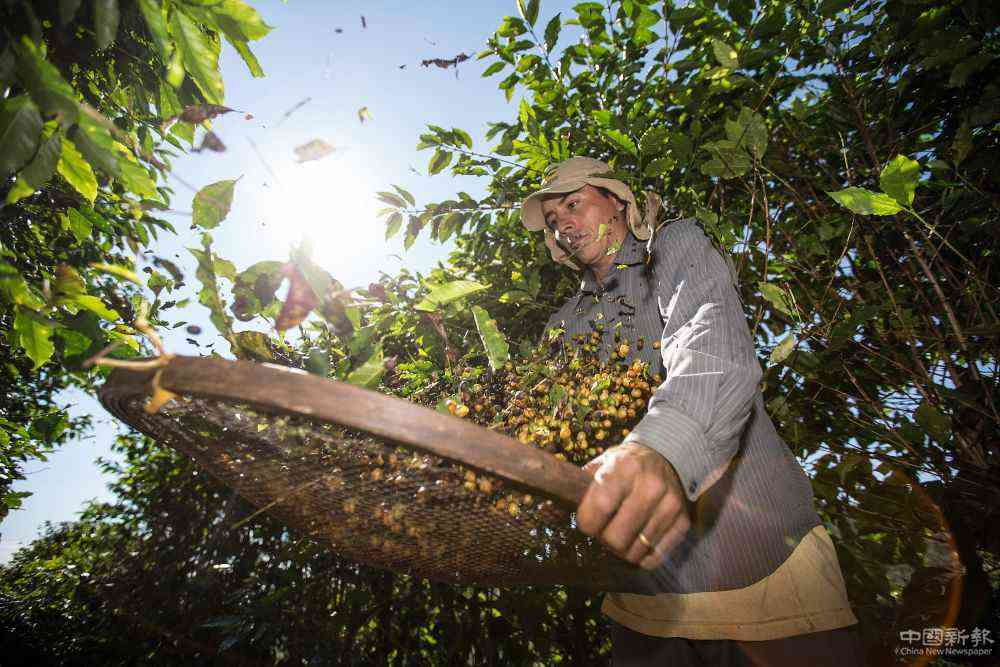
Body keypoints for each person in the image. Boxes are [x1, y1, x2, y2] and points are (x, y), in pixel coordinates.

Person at [520, 157, 865, 666]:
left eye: (573, 204)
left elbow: (710, 339)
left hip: (764, 574)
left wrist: (662, 448)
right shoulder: (564, 323)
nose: (563, 224)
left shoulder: (671, 247)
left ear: (616, 200)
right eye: (552, 221)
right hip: (641, 601)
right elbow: (554, 424)